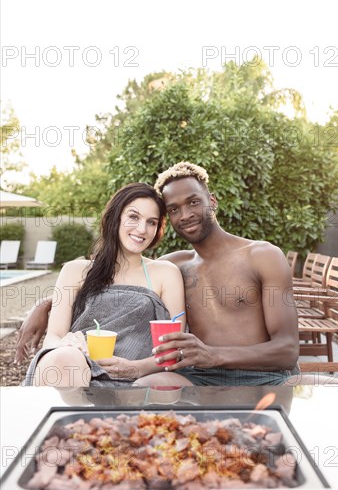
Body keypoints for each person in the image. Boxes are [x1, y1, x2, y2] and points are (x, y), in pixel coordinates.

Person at [17, 162, 299, 386]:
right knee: (147, 390)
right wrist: (46, 305)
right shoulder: (175, 265)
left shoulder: (263, 256)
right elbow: (120, 280)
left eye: (193, 202)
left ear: (211, 201)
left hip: (262, 377)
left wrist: (211, 355)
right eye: (174, 209)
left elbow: (287, 350)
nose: (185, 214)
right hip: (199, 377)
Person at [23, 183, 186, 387]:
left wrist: (135, 368)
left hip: (132, 378)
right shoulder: (75, 271)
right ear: (114, 218)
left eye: (151, 222)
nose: (142, 229)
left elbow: (174, 350)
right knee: (67, 360)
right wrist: (66, 344)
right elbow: (53, 337)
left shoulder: (166, 273)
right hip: (71, 366)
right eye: (133, 217)